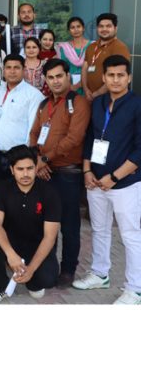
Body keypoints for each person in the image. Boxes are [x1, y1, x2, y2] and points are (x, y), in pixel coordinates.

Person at [74, 55, 141, 304]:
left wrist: (114, 177)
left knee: (130, 234)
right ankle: (100, 273)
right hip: (95, 181)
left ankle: (135, 289)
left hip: (125, 182)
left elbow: (139, 150)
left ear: (129, 77)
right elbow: (91, 139)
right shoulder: (99, 103)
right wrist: (87, 171)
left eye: (120, 75)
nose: (115, 79)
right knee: (99, 230)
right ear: (103, 77)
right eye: (110, 75)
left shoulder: (137, 104)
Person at [29, 58, 90, 287]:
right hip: (45, 173)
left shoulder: (78, 102)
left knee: (69, 224)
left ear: (68, 76)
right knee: (45, 223)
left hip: (67, 174)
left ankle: (68, 269)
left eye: (59, 76)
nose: (55, 81)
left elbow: (74, 138)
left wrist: (44, 159)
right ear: (46, 80)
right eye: (51, 77)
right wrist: (38, 159)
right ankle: (48, 267)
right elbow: (34, 134)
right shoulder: (44, 104)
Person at [0, 145, 61, 304]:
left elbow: (50, 237)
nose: (25, 174)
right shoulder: (2, 188)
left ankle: (32, 281)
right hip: (11, 242)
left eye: (30, 168)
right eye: (20, 169)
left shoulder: (50, 192)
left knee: (48, 279)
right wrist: (11, 254)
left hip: (37, 244)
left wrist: (31, 270)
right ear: (12, 170)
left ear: (35, 167)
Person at [0, 54, 44, 181]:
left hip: (18, 158)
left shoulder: (33, 95)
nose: (12, 71)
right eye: (8, 67)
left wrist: (27, 157)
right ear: (3, 70)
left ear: (23, 70)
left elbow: (34, 128)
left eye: (16, 68)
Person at [82, 12, 131, 101]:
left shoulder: (120, 47)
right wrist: (86, 90)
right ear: (97, 28)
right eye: (101, 26)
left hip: (110, 98)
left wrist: (97, 93)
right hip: (90, 97)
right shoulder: (91, 47)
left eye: (108, 26)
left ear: (115, 28)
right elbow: (85, 68)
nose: (104, 29)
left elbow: (118, 76)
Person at [57, 16, 92, 95]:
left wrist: (81, 83)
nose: (76, 30)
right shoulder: (64, 47)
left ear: (83, 28)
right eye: (72, 27)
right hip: (69, 86)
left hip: (89, 85)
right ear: (69, 30)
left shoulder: (92, 46)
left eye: (78, 26)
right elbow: (62, 68)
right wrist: (70, 85)